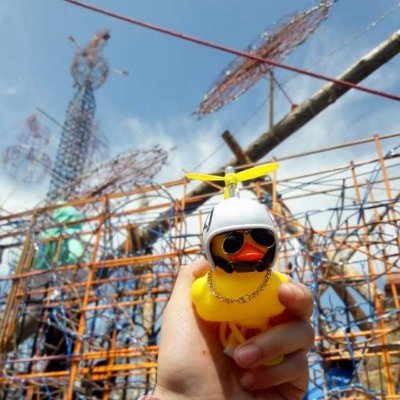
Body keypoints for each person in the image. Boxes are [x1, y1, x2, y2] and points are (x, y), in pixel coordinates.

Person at [140, 257, 314, 400]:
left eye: (262, 237)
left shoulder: (274, 284)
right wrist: (179, 394)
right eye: (232, 242)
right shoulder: (209, 286)